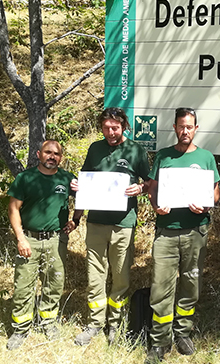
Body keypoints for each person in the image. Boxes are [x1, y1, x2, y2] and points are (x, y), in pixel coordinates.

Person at [145, 107, 220, 364]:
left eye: (189, 126)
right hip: (166, 232)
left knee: (190, 284)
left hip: (195, 231)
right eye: (181, 126)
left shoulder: (206, 157)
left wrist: (207, 204)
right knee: (160, 287)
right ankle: (159, 341)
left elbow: (216, 193)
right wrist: (156, 205)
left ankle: (183, 332)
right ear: (174, 128)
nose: (185, 131)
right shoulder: (163, 156)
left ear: (196, 128)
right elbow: (152, 190)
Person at [71, 107, 151, 346]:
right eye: (106, 128)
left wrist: (141, 189)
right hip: (95, 222)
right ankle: (95, 323)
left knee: (120, 276)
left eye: (115, 128)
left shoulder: (136, 150)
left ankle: (115, 323)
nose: (110, 132)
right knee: (95, 274)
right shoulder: (95, 149)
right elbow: (85, 183)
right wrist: (76, 216)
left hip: (123, 224)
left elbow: (149, 183)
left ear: (124, 126)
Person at [6, 140, 77, 350]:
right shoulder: (25, 178)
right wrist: (20, 237)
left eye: (56, 153)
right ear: (39, 154)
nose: (52, 156)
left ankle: (48, 322)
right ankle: (20, 329)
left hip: (56, 239)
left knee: (53, 283)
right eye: (48, 152)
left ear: (61, 158)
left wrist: (77, 219)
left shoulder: (66, 178)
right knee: (23, 285)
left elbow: (84, 196)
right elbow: (13, 209)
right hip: (30, 239)